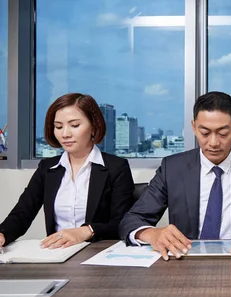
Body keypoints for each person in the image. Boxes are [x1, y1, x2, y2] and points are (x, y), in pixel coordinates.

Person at [119, 91, 231, 260]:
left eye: (223, 133)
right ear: (193, 127)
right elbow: (132, 220)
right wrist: (153, 234)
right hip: (185, 261)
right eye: (205, 132)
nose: (214, 143)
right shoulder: (172, 168)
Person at [0, 93, 135, 249]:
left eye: (75, 125)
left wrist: (87, 231)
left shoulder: (116, 167)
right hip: (57, 255)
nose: (65, 134)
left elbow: (124, 223)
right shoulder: (47, 168)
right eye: (58, 127)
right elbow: (22, 214)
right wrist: (3, 233)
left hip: (98, 255)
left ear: (94, 127)